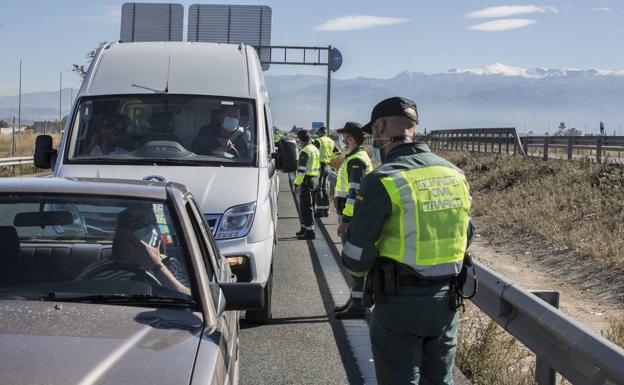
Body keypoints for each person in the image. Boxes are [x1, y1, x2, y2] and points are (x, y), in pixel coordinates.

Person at [341, 97, 474, 385]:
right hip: (447, 302)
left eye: (373, 133)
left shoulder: (383, 179)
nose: (374, 140)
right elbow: (468, 234)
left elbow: (355, 257)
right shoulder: (454, 174)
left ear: (381, 126)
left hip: (399, 303)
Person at [78, 205, 191, 296]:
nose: (141, 231)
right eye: (135, 226)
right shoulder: (97, 270)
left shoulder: (170, 265)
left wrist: (157, 267)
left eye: (146, 226)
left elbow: (189, 298)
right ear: (120, 233)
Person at [332, 122, 374, 320]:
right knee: (352, 260)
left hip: (353, 218)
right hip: (354, 216)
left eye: (343, 136)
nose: (341, 140)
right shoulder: (355, 157)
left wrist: (346, 219)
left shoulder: (356, 161)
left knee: (354, 260)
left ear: (351, 139)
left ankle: (358, 305)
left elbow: (354, 192)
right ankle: (354, 300)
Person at [293, 129, 320, 240]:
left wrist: (296, 183)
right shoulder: (314, 149)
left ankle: (310, 232)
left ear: (300, 139)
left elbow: (301, 171)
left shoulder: (305, 151)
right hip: (314, 180)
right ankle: (304, 228)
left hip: (306, 180)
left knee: (306, 207)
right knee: (309, 206)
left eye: (297, 139)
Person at [312, 127, 341, 218]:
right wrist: (329, 158)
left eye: (318, 133)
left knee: (319, 188)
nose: (317, 135)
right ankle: (326, 209)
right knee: (324, 188)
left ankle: (320, 211)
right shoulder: (331, 141)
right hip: (328, 166)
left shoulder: (318, 141)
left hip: (320, 166)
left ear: (320, 132)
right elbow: (338, 152)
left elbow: (312, 153)